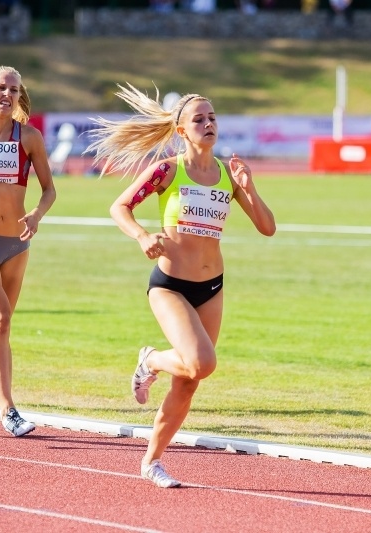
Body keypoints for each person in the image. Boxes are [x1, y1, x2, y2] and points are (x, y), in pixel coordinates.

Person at [87, 85, 276, 488]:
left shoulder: (227, 175)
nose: (208, 124)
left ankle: (152, 461)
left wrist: (250, 188)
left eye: (212, 118)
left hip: (212, 287)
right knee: (202, 363)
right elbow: (120, 206)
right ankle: (152, 359)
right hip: (170, 286)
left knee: (190, 381)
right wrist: (141, 235)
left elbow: (267, 227)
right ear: (181, 131)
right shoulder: (167, 171)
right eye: (199, 119)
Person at [0, 65, 56, 436]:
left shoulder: (29, 137)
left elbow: (49, 190)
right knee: (0, 319)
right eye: (1, 87)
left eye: (14, 90)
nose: (7, 94)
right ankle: (8, 410)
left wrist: (36, 214)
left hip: (18, 243)